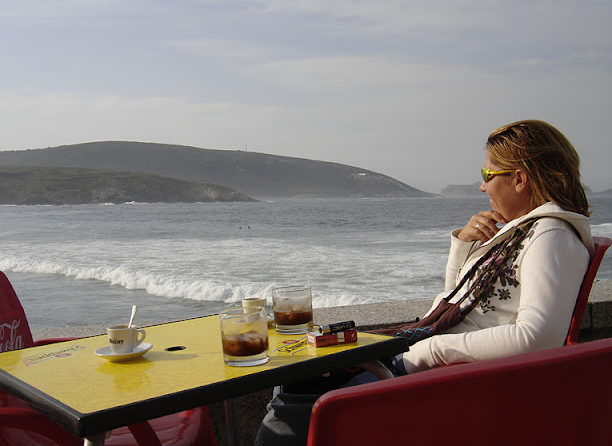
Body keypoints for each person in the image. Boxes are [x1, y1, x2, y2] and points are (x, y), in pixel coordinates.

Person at [254, 119, 594, 446]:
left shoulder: (551, 236)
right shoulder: (520, 232)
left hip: (445, 382)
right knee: (297, 373)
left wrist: (433, 349)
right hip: (429, 365)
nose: (482, 186)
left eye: (487, 175)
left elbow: (539, 338)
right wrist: (463, 245)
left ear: (519, 179)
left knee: (298, 401)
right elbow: (453, 300)